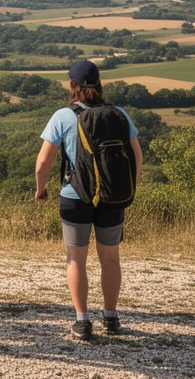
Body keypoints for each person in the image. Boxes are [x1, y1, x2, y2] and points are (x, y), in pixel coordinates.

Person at [34, 60, 143, 341]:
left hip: (74, 196)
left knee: (76, 259)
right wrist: (120, 186)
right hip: (111, 198)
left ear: (72, 85)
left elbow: (43, 161)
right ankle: (111, 317)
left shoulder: (62, 116)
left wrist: (41, 188)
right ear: (99, 83)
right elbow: (137, 157)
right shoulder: (119, 114)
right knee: (110, 259)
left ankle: (82, 321)